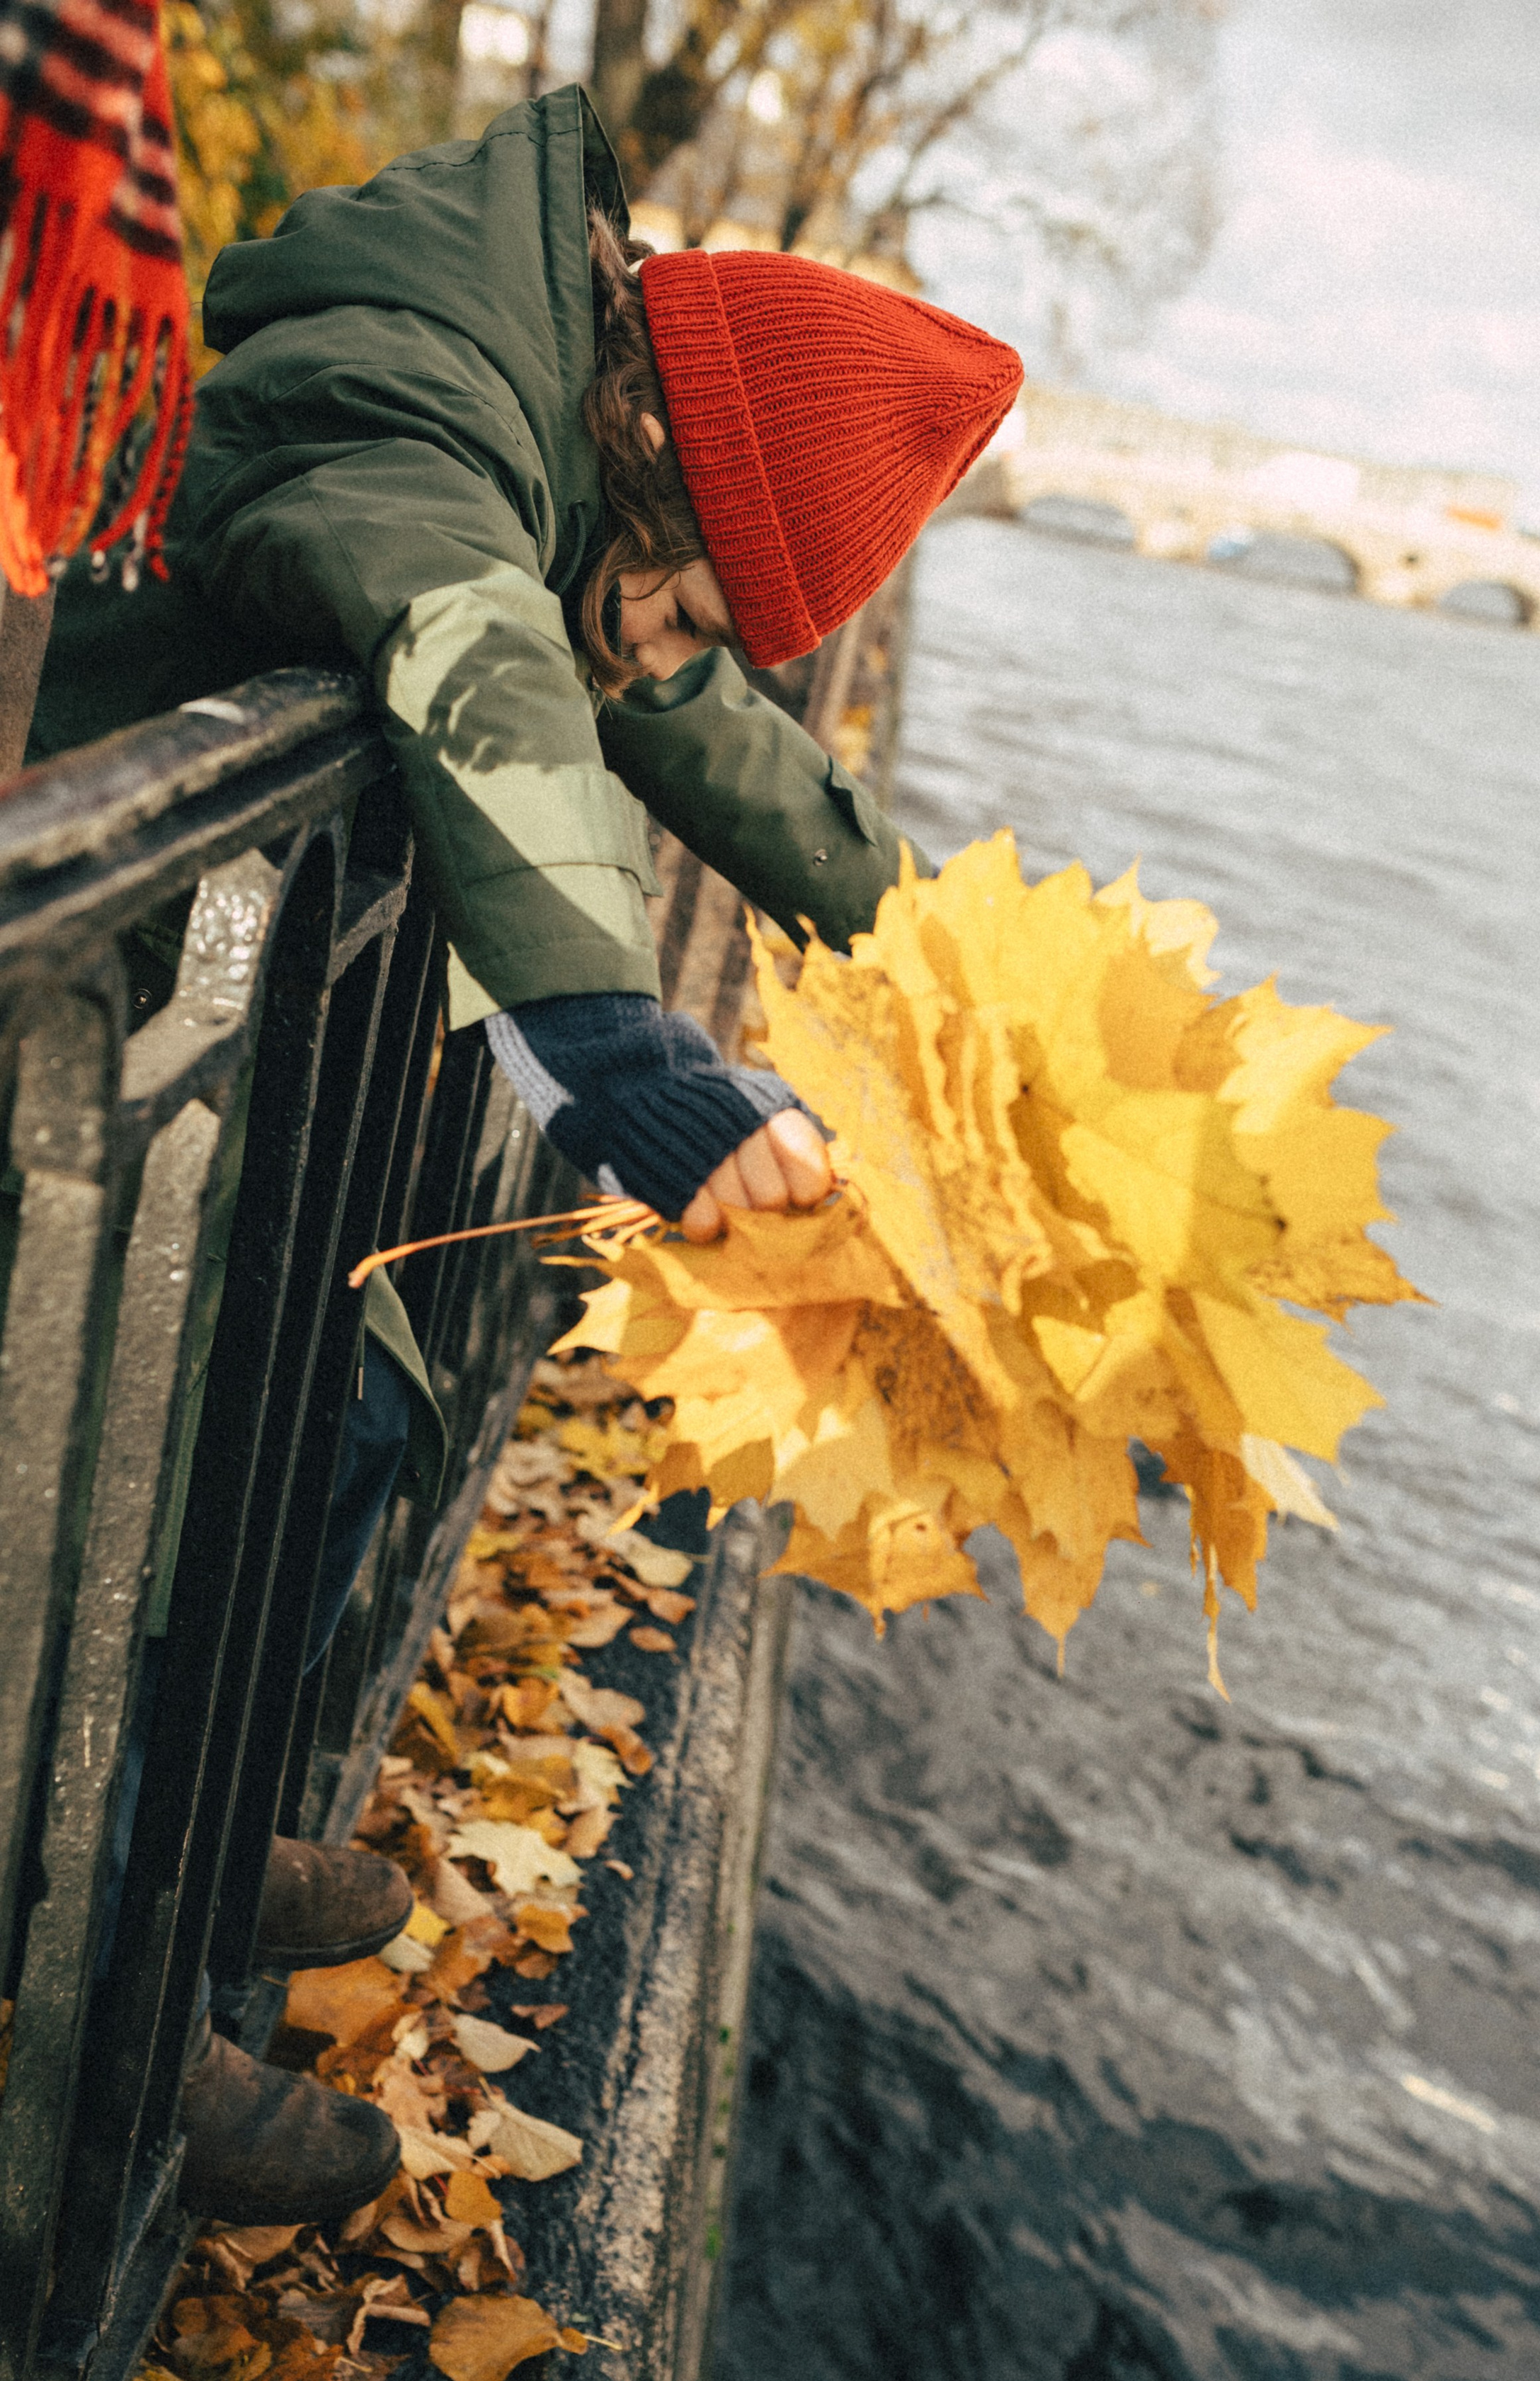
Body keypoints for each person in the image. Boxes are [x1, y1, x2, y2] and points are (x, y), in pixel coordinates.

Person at [28, 82, 1022, 2224]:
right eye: (667, 605)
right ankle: (94, 2022)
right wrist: (610, 1043)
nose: (649, 656)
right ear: (649, 456)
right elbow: (475, 632)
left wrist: (952, 972)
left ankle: (179, 1840)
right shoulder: (412, 392)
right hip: (69, 1000)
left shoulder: (566, 445)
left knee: (341, 1433)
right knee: (142, 1493)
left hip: (177, 1016)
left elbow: (679, 715)